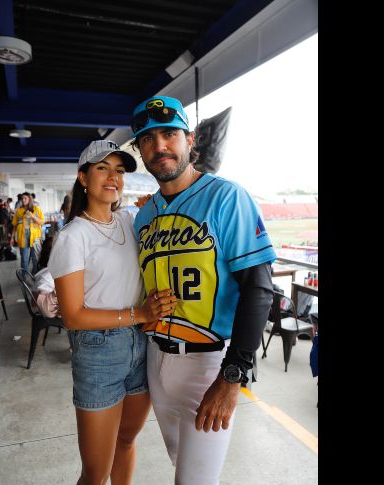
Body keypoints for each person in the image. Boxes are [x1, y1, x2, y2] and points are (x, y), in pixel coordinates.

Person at [128, 95, 276, 485]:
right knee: (181, 464)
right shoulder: (144, 214)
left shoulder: (228, 197)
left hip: (208, 365)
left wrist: (233, 377)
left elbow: (259, 290)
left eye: (169, 134)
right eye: (146, 139)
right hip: (155, 360)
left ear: (190, 139)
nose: (158, 146)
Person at [48, 139, 177, 485]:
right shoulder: (73, 237)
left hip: (141, 345)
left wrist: (156, 205)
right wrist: (139, 313)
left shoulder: (130, 220)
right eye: (102, 168)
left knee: (126, 441)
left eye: (118, 171)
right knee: (95, 474)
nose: (112, 177)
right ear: (83, 178)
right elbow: (72, 316)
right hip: (98, 351)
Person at [9, 193, 44, 274]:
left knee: (35, 258)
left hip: (35, 237)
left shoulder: (36, 209)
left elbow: (42, 222)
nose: (23, 200)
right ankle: (24, 277)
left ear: (29, 199)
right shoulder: (19, 211)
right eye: (22, 198)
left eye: (25, 198)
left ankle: (35, 275)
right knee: (24, 259)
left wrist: (33, 216)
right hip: (23, 236)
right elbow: (14, 225)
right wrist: (12, 238)